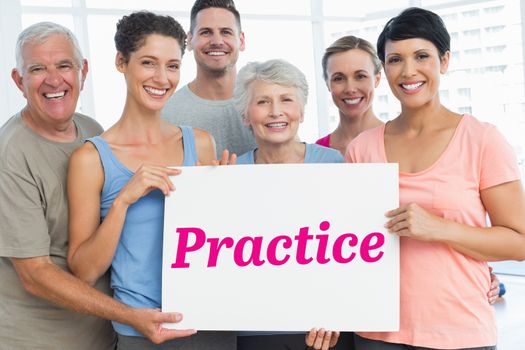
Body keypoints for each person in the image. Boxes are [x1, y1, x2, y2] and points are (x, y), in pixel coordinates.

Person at [0, 21, 190, 350]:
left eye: (64, 65)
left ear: (83, 71)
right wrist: (132, 315)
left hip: (103, 334)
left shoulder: (91, 131)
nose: (54, 79)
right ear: (19, 80)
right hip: (38, 339)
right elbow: (35, 274)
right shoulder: (11, 155)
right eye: (37, 69)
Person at [346, 7, 525, 349]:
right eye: (395, 59)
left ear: (444, 61)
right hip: (376, 332)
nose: (408, 70)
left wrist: (437, 228)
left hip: (460, 332)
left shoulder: (482, 140)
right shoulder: (361, 149)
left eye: (422, 56)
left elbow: (519, 242)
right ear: (385, 69)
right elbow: (347, 242)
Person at [67, 11, 235, 349]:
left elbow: (219, 243)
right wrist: (124, 200)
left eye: (172, 66)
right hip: (143, 331)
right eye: (148, 63)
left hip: (212, 322)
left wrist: (228, 194)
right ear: (120, 62)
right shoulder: (91, 159)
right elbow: (84, 271)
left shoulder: (200, 143)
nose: (162, 78)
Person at [234, 59, 353, 350]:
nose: (276, 111)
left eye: (286, 100)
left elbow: (354, 252)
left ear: (301, 110)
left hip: (325, 330)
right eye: (262, 101)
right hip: (254, 334)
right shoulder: (229, 176)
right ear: (246, 115)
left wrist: (339, 312)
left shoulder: (335, 164)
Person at [161, 0, 256, 157]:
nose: (217, 42)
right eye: (206, 32)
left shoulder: (266, 107)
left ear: (242, 41)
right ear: (189, 40)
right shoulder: (166, 113)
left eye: (226, 32)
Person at [316, 35, 383, 155]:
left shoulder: (399, 142)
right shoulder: (318, 152)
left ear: (377, 79)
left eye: (360, 76)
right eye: (339, 78)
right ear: (327, 84)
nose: (350, 89)